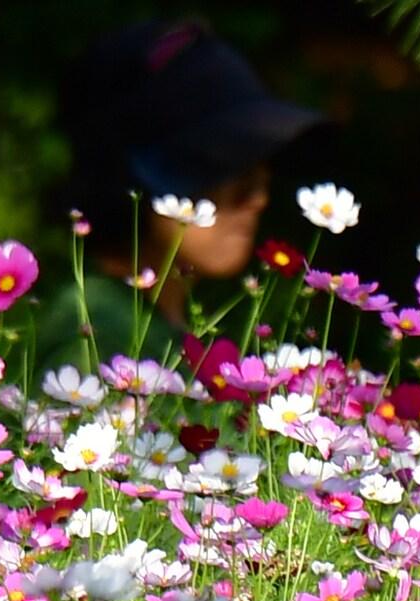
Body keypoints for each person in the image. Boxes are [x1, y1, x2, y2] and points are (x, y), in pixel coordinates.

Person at [38, 20, 326, 372]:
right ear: (129, 174)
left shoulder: (156, 331)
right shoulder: (93, 330)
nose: (258, 199)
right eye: (225, 165)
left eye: (262, 171)